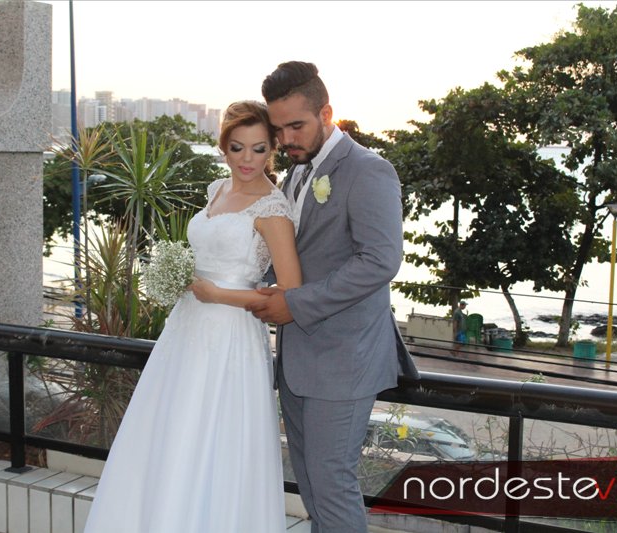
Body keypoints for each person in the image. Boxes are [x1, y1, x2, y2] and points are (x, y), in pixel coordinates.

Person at [83, 101, 300, 533]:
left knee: (214, 438)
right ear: (223, 146)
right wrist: (180, 276)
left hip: (230, 337)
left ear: (272, 149)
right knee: (171, 430)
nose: (247, 159)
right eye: (237, 148)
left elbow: (292, 296)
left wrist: (218, 294)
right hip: (186, 330)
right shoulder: (217, 189)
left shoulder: (273, 210)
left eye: (258, 149)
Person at [247, 61, 420, 533]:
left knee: (331, 485)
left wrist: (294, 304)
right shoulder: (296, 174)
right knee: (310, 486)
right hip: (297, 360)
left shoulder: (369, 170)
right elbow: (294, 255)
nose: (286, 139)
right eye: (278, 129)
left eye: (296, 126)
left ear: (326, 113)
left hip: (345, 360)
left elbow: (380, 260)